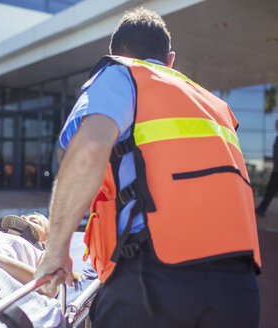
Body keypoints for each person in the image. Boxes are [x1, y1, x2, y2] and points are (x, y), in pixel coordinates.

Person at [35, 7, 261, 328]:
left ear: (116, 54)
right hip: (238, 288)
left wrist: (56, 249)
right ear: (170, 60)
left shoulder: (120, 73)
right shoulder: (216, 105)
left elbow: (85, 151)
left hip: (154, 282)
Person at [256, 119, 278, 216]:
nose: (275, 126)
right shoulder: (277, 138)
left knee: (270, 190)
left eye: (277, 124)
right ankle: (261, 209)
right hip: (276, 170)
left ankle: (261, 209)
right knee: (270, 190)